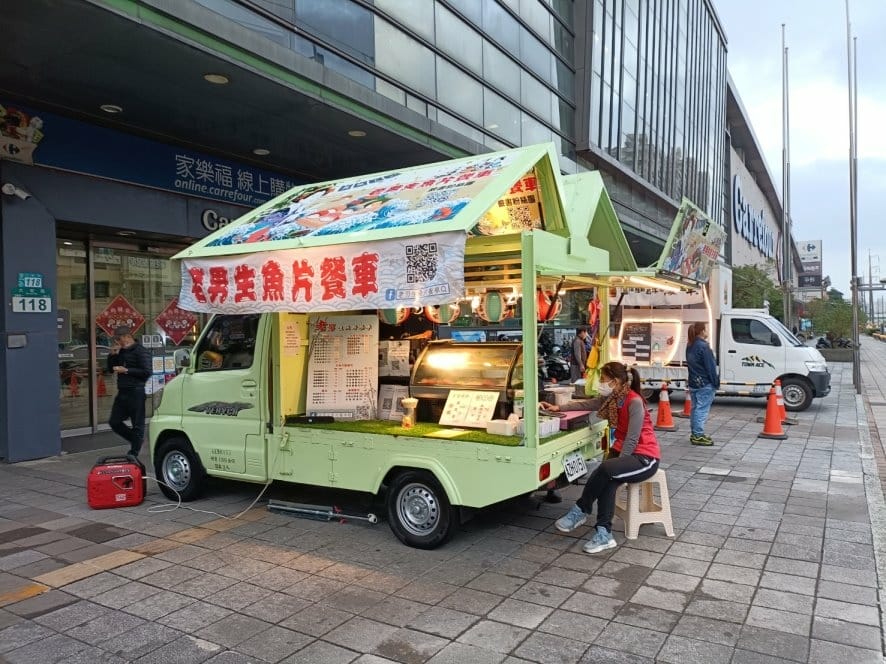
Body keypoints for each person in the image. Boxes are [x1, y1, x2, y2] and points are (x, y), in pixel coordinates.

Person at [540, 362, 661, 554]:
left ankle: (581, 509)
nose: (601, 384)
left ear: (616, 381)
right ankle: (605, 534)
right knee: (608, 481)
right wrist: (558, 407)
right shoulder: (612, 398)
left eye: (604, 380)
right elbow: (587, 403)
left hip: (645, 457)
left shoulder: (634, 401)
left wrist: (617, 464)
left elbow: (632, 439)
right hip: (623, 452)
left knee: (605, 470)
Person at [107, 326, 152, 457]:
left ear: (127, 337)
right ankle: (136, 440)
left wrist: (126, 370)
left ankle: (134, 451)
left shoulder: (140, 351)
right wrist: (112, 355)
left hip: (136, 391)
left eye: (118, 339)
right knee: (114, 422)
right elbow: (110, 369)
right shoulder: (120, 351)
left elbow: (147, 372)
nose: (117, 342)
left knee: (137, 423)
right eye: (116, 340)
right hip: (122, 391)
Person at [685, 322, 719, 446]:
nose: (707, 332)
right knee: (702, 409)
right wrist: (715, 382)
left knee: (695, 408)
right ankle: (698, 435)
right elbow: (710, 367)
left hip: (694, 382)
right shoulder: (704, 347)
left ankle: (695, 433)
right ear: (702, 331)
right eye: (706, 329)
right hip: (705, 382)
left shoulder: (690, 345)